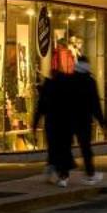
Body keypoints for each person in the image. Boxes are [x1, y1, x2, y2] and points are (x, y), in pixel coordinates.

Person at [65, 56, 107, 185]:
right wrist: (101, 121)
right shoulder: (90, 82)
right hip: (84, 120)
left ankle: (62, 174)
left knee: (65, 146)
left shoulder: (69, 80)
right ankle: (90, 174)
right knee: (86, 148)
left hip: (69, 119)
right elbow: (95, 104)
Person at [36, 48, 76, 187]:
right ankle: (61, 173)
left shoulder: (49, 87)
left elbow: (41, 106)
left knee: (56, 148)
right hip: (64, 124)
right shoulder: (67, 87)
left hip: (53, 124)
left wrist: (35, 123)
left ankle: (58, 171)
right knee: (62, 149)